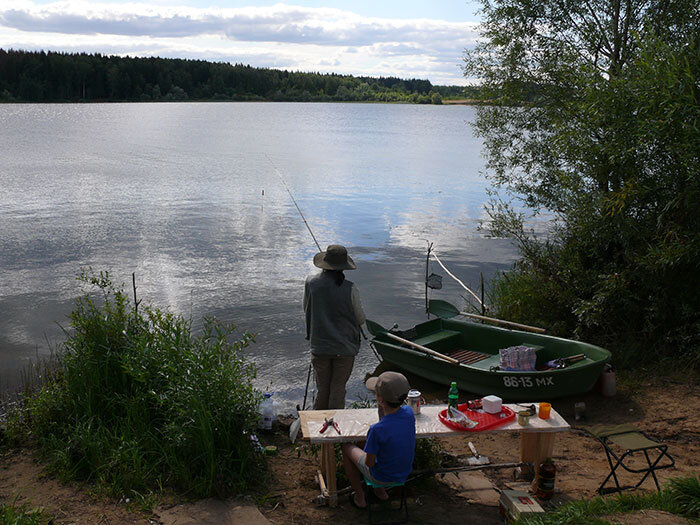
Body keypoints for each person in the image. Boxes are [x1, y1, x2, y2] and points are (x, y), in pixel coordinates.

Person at [303, 244, 366, 410]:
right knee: (338, 389)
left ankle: (318, 426)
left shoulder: (311, 283)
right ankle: (336, 428)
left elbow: (306, 309)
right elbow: (360, 318)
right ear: (343, 267)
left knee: (322, 389)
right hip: (345, 348)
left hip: (319, 346)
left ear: (325, 263)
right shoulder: (350, 288)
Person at [341, 371, 416, 509]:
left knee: (346, 447)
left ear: (380, 400)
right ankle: (380, 492)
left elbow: (369, 463)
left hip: (380, 476)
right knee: (363, 444)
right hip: (404, 472)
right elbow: (389, 422)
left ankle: (360, 496)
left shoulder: (376, 430)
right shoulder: (409, 414)